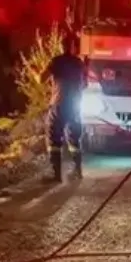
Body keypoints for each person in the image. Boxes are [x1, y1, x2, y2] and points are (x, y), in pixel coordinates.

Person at [40, 33, 88, 182]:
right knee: (74, 138)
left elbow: (41, 79)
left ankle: (56, 175)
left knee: (54, 137)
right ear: (73, 47)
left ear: (61, 46)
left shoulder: (56, 62)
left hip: (59, 104)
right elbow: (85, 84)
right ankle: (77, 171)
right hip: (75, 105)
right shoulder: (79, 63)